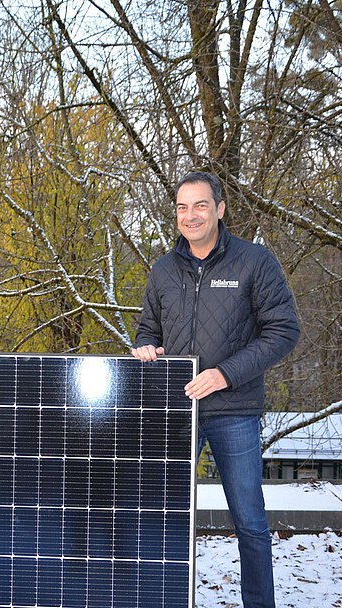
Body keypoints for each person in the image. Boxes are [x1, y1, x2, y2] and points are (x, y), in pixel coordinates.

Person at [131, 171, 299, 608]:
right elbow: (148, 328)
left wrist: (225, 373)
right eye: (183, 207)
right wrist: (146, 347)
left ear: (220, 209)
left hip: (234, 411)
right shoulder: (164, 269)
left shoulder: (255, 262)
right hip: (175, 413)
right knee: (157, 519)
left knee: (250, 524)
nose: (192, 215)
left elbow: (282, 331)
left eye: (201, 205)